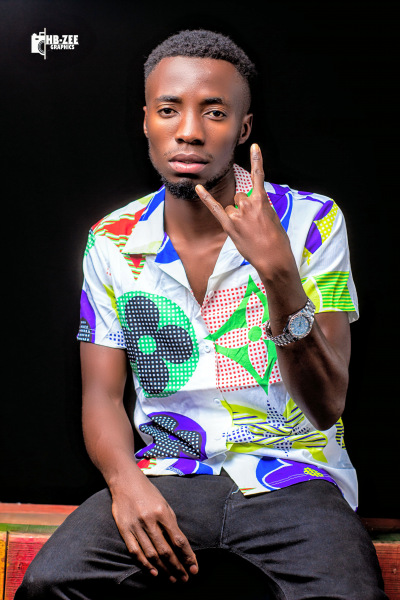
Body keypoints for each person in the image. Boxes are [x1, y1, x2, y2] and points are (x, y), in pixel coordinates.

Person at [16, 29, 387, 600]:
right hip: (168, 473)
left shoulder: (311, 223)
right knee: (51, 584)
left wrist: (279, 274)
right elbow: (101, 396)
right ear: (146, 121)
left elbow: (326, 405)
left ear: (243, 127)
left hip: (296, 474)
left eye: (214, 112)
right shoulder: (112, 240)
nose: (189, 130)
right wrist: (125, 484)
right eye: (169, 109)